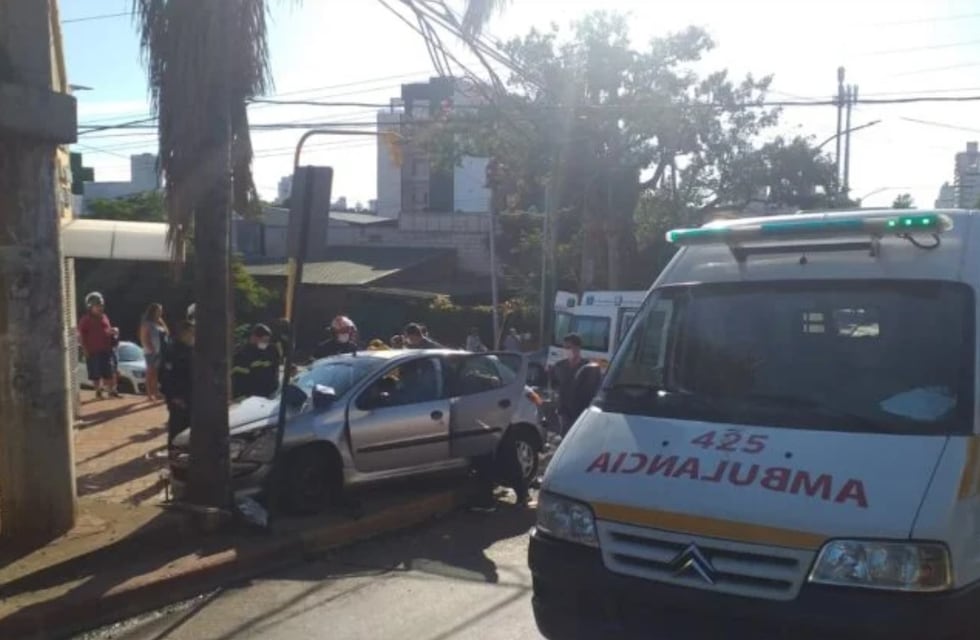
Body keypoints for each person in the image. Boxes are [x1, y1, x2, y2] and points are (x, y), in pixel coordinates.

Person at [550, 333, 602, 437]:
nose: (566, 350)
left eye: (569, 347)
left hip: (582, 413)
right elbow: (553, 386)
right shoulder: (559, 366)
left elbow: (595, 390)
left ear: (577, 348)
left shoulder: (588, 368)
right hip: (564, 413)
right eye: (565, 347)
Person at [78, 292, 121, 399]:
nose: (100, 308)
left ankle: (111, 391)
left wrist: (113, 332)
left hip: (106, 349)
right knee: (95, 373)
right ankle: (98, 392)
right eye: (97, 306)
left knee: (109, 371)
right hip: (93, 351)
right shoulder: (85, 320)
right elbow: (81, 336)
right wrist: (85, 350)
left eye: (101, 305)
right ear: (90, 307)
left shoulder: (104, 317)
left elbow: (107, 330)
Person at [160, 320, 194, 445]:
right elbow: (166, 376)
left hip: (190, 395)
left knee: (189, 428)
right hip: (177, 397)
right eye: (191, 332)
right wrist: (174, 396)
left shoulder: (191, 349)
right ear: (183, 333)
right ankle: (174, 451)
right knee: (177, 427)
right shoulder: (173, 350)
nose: (193, 335)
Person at [232, 324, 281, 400]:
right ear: (254, 337)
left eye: (267, 341)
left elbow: (274, 371)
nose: (266, 343)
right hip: (250, 397)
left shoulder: (270, 351)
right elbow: (238, 379)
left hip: (269, 395)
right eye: (263, 340)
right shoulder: (243, 354)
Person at [139, 303, 169, 401]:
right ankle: (149, 394)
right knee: (150, 372)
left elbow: (167, 332)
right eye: (158, 310)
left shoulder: (158, 323)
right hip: (150, 351)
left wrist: (161, 321)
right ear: (153, 311)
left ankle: (156, 392)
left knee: (155, 373)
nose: (160, 312)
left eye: (161, 311)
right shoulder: (146, 323)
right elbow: (144, 337)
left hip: (159, 350)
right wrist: (150, 348)